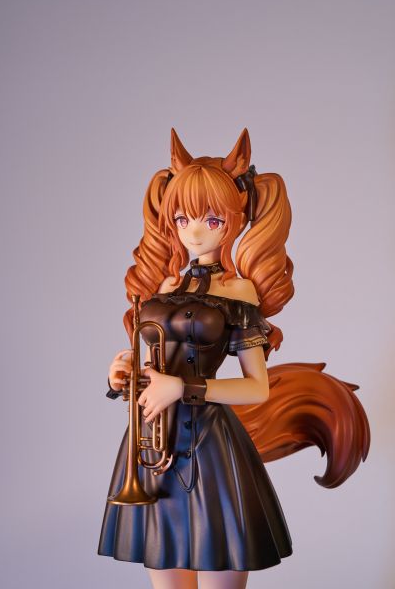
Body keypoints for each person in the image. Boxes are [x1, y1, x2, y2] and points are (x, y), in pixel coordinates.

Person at [97, 129, 370, 589]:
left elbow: (256, 387)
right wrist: (122, 375)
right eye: (182, 218)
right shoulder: (164, 287)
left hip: (210, 448)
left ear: (234, 220)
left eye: (210, 219)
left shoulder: (238, 292)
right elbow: (154, 362)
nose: (194, 231)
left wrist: (182, 387)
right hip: (152, 446)